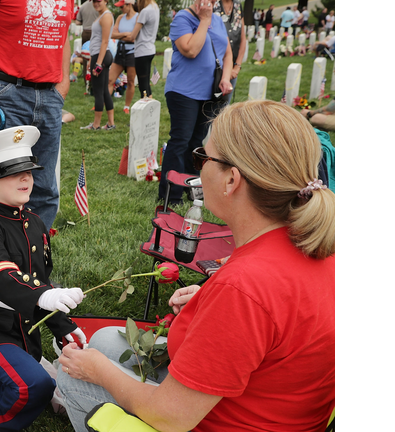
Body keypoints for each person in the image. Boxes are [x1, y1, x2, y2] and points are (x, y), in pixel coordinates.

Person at [56, 100, 335, 432]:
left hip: (213, 420)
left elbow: (172, 417)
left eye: (202, 157)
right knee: (102, 341)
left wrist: (98, 373)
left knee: (73, 374)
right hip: (279, 407)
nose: (198, 167)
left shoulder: (244, 287)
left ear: (232, 180)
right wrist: (208, 301)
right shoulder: (312, 242)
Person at [0, 126, 87, 432]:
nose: (25, 178)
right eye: (12, 173)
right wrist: (42, 297)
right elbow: (0, 276)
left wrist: (63, 327)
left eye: (27, 170)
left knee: (61, 376)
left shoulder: (36, 223)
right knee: (31, 387)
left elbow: (40, 281)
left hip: (25, 330)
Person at [0, 0, 73, 232]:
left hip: (50, 96)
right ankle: (4, 261)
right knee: (4, 189)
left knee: (45, 189)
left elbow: (62, 35)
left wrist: (63, 83)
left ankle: (35, 257)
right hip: (8, 95)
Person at [158, 0, 232, 206]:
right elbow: (190, 49)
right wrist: (204, 19)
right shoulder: (182, 18)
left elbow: (227, 52)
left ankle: (192, 188)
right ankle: (170, 195)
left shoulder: (217, 21)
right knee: (180, 141)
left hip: (209, 93)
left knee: (196, 143)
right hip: (183, 91)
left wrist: (226, 78)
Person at [80, 0, 115, 130]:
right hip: (97, 55)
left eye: (99, 1)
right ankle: (111, 123)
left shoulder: (106, 16)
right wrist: (90, 59)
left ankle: (96, 125)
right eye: (94, 1)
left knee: (98, 92)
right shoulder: (101, 15)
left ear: (106, 1)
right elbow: (95, 40)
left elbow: (105, 42)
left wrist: (98, 64)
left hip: (102, 56)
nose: (96, 3)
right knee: (104, 90)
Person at [108, 0, 138, 114]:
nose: (120, 9)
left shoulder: (137, 18)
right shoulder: (120, 18)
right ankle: (105, 103)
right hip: (120, 51)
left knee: (130, 81)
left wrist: (122, 35)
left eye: (122, 7)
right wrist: (126, 34)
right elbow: (112, 34)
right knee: (110, 80)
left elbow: (134, 38)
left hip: (132, 52)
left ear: (129, 5)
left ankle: (126, 106)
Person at [213, 0, 245, 105]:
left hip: (232, 68)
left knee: (225, 107)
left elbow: (242, 38)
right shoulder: (214, 4)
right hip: (215, 67)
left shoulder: (238, 6)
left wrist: (237, 67)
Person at [127, 0, 160, 101]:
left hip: (142, 50)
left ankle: (146, 109)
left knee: (143, 86)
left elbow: (133, 36)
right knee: (146, 84)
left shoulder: (144, 12)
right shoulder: (155, 8)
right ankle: (150, 107)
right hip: (150, 48)